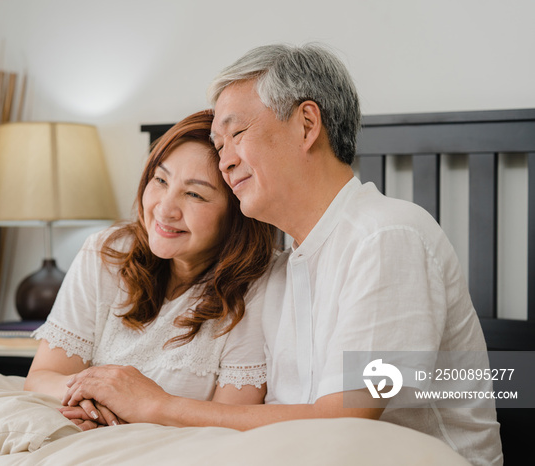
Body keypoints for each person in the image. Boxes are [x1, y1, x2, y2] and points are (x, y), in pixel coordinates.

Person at [61, 44, 503, 465]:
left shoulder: (388, 237)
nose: (225, 162)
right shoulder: (279, 270)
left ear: (307, 125)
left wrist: (159, 405)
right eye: (219, 146)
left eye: (236, 133)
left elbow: (344, 423)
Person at [24, 109, 278, 429]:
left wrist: (137, 407)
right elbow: (42, 377)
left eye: (195, 194)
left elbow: (229, 422)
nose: (164, 209)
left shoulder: (259, 287)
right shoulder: (106, 251)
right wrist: (98, 401)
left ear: (236, 214)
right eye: (160, 180)